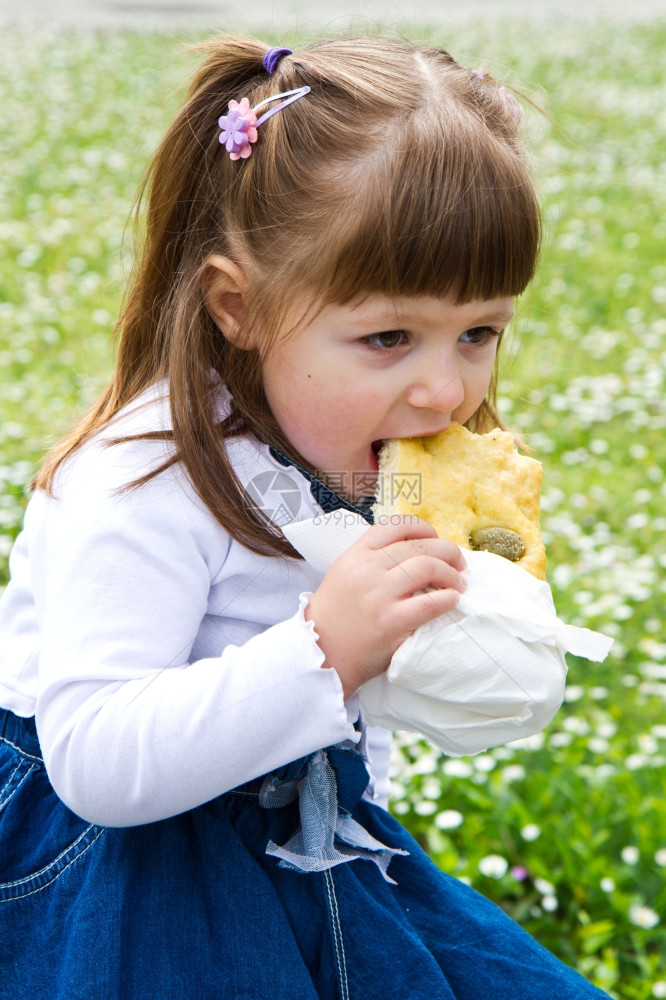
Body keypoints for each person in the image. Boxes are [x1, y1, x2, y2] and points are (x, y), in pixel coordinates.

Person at [0, 34, 609, 999]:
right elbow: (96, 762)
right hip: (117, 868)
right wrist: (326, 648)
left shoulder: (355, 451)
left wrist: (469, 640)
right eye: (388, 336)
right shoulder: (139, 480)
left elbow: (391, 715)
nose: (444, 391)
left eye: (480, 332)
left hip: (304, 831)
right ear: (238, 306)